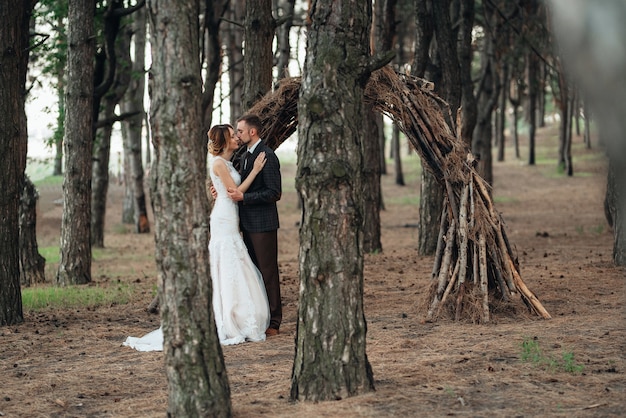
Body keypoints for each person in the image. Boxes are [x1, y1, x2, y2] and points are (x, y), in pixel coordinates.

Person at [123, 123, 270, 351]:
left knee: (233, 260)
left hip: (230, 215)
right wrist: (255, 171)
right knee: (226, 259)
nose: (236, 139)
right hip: (224, 217)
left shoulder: (228, 162)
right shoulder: (219, 163)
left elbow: (227, 189)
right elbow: (234, 193)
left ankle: (237, 311)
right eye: (232, 136)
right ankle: (224, 315)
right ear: (223, 141)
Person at [227, 114, 283, 336]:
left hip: (263, 224)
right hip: (247, 223)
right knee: (254, 273)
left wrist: (245, 199)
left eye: (240, 131)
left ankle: (275, 321)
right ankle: (261, 316)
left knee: (267, 272)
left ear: (252, 132)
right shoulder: (246, 155)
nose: (237, 135)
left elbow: (274, 192)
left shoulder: (267, 155)